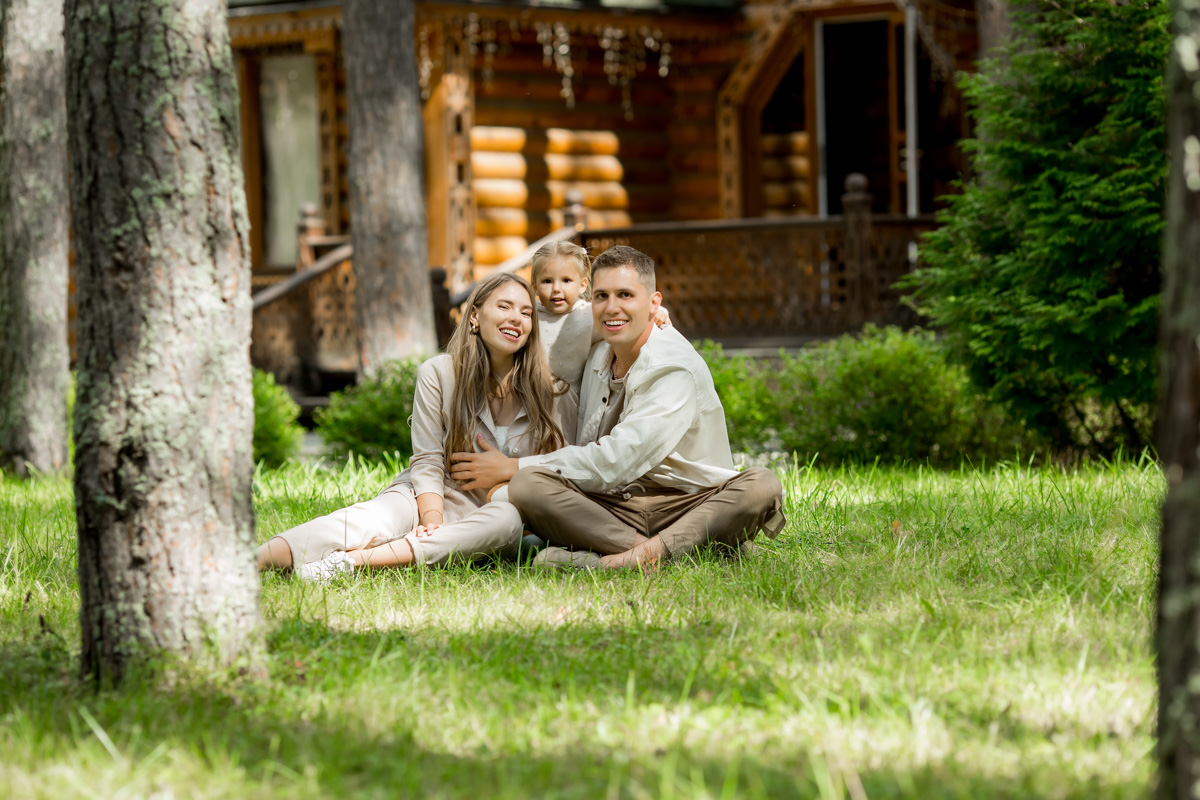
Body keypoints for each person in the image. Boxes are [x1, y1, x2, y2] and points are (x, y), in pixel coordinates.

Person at [450, 245, 786, 570]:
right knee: (528, 485)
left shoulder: (673, 367)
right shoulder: (599, 354)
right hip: (613, 503)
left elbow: (617, 461)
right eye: (602, 296)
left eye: (625, 295)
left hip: (686, 503)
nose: (612, 308)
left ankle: (627, 558)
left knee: (761, 485)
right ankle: (665, 552)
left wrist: (512, 465)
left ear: (653, 303)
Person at [256, 272, 569, 580]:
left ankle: (350, 563)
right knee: (368, 520)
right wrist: (431, 519)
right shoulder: (439, 373)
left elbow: (560, 467)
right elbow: (428, 459)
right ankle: (248, 562)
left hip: (492, 514)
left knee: (506, 520)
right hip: (429, 493)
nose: (516, 318)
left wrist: (507, 469)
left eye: (526, 313)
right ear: (474, 315)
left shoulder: (549, 390)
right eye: (504, 306)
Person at [530, 239, 670, 395]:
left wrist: (659, 312)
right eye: (547, 281)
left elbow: (637, 310)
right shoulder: (529, 314)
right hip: (531, 395)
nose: (556, 288)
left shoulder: (587, 315)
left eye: (566, 280)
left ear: (582, 285)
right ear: (535, 286)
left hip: (571, 398)